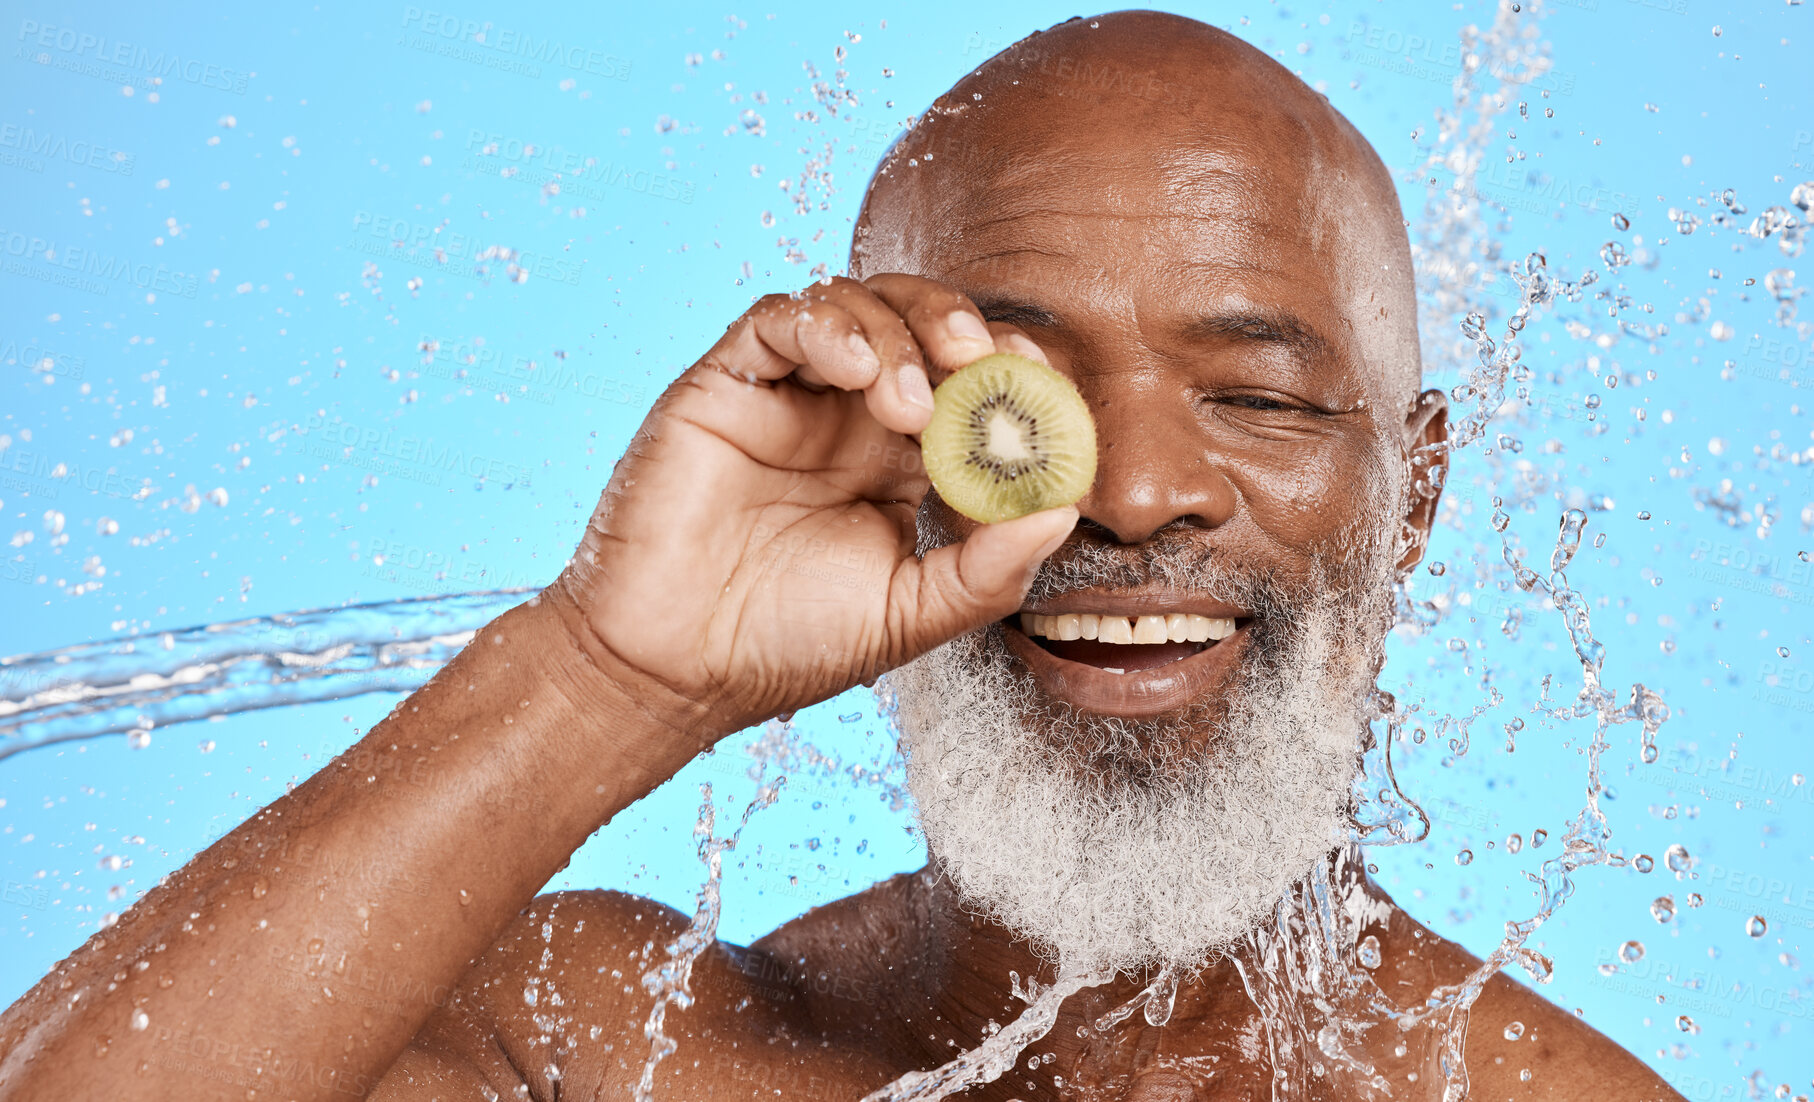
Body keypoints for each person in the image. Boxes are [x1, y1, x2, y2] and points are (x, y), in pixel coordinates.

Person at [0, 11, 1683, 1101]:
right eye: (1019, 391)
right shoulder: (602, 1045)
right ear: (898, 436)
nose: (1138, 491)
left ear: (1411, 499)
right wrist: (603, 672)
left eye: (1254, 395)